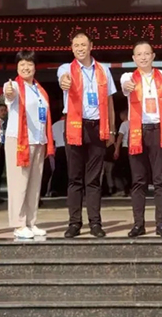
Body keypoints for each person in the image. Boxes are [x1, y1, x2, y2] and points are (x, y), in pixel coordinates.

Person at [58, 32, 117, 238]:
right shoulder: (66, 69)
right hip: (75, 126)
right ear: (72, 48)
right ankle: (74, 223)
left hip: (97, 127)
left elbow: (109, 101)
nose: (80, 48)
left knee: (94, 179)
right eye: (76, 45)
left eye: (83, 45)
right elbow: (63, 80)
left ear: (91, 46)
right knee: (74, 178)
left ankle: (95, 223)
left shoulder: (104, 70)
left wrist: (112, 129)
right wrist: (65, 82)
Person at [120, 41, 162, 238]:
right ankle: (139, 224)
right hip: (138, 131)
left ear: (153, 56)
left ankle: (161, 224)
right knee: (138, 180)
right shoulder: (128, 76)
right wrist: (127, 85)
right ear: (133, 58)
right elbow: (125, 85)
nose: (143, 57)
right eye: (139, 54)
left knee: (160, 180)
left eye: (147, 53)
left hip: (160, 130)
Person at [3, 50, 55, 239]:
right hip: (19, 141)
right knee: (19, 184)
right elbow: (9, 95)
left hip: (38, 141)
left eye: (29, 64)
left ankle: (30, 222)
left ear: (35, 67)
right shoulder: (14, 85)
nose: (26, 67)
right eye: (22, 64)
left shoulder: (39, 90)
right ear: (17, 67)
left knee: (34, 184)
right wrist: (9, 92)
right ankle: (18, 224)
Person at [113, 110, 131, 196]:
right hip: (133, 148)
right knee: (130, 169)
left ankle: (122, 188)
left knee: (119, 170)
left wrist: (116, 150)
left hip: (125, 148)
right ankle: (130, 188)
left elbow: (120, 137)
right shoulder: (134, 123)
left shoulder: (124, 124)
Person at [50, 115, 68, 196]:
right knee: (68, 170)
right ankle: (65, 189)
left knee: (57, 170)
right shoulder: (68, 123)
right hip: (68, 148)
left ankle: (54, 189)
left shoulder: (55, 125)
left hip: (59, 148)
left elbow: (52, 138)